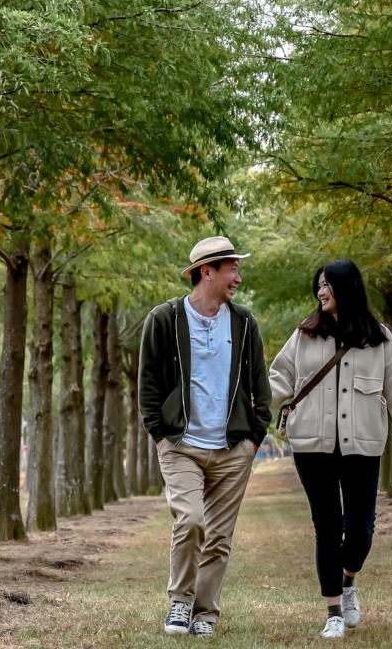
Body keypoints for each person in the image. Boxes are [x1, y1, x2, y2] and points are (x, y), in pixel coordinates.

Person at [269, 259, 392, 639]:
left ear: (347, 288)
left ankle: (349, 582)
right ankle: (333, 612)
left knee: (361, 529)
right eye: (318, 285)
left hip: (362, 446)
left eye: (327, 284)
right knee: (327, 528)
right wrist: (247, 411)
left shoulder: (378, 338)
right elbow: (278, 378)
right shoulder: (305, 334)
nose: (320, 291)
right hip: (312, 447)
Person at [138, 236, 271, 638]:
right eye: (232, 269)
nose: (238, 277)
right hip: (181, 446)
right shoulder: (163, 319)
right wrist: (160, 437)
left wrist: (254, 438)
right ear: (207, 271)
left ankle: (205, 616)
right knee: (192, 521)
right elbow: (148, 385)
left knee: (219, 536)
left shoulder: (244, 322)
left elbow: (259, 385)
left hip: (233, 449)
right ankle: (180, 603)